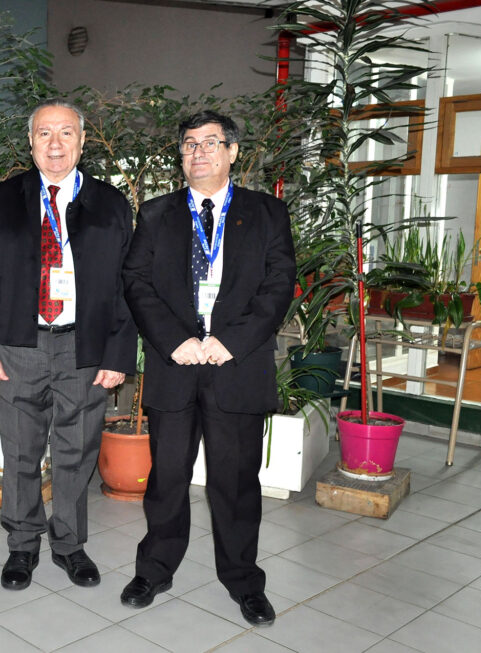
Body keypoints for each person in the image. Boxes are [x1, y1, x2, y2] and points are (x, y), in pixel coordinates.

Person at [120, 110, 295, 625]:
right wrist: (175, 340)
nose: (199, 152)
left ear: (233, 152)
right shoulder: (156, 213)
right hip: (175, 365)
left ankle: (244, 580)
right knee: (167, 479)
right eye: (190, 144)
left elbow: (278, 285)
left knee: (235, 483)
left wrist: (230, 342)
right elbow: (136, 282)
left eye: (210, 143)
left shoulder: (267, 213)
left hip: (235, 366)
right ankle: (154, 569)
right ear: (181, 155)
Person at [0, 98, 137, 591]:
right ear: (31, 142)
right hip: (17, 345)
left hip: (84, 346)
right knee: (20, 452)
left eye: (66, 133)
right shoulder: (3, 198)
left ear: (82, 142)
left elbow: (128, 286)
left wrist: (117, 354)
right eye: (44, 133)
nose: (56, 143)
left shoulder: (110, 203)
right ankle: (22, 545)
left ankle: (69, 545)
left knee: (76, 450)